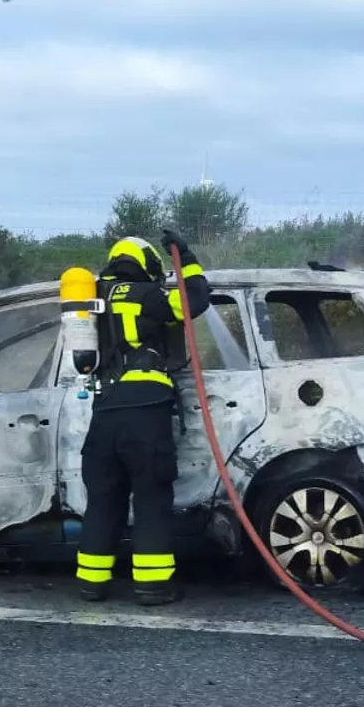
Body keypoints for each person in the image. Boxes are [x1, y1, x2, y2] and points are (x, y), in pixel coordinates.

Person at [75, 229, 210, 606]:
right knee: (150, 497)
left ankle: (91, 583)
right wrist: (185, 255)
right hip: (145, 410)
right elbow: (195, 300)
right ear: (146, 264)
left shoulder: (91, 302)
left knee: (103, 499)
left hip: (104, 411)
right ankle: (153, 586)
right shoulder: (147, 295)